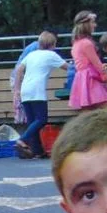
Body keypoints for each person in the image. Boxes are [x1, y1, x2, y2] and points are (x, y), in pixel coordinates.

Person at [12, 31, 67, 159]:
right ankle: (22, 139)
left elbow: (19, 70)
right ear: (53, 44)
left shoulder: (31, 55)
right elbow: (69, 67)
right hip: (37, 91)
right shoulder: (51, 55)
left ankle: (37, 151)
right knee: (42, 119)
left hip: (25, 90)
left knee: (32, 122)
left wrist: (17, 90)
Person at [69, 11, 107, 112]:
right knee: (105, 111)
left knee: (87, 112)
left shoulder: (76, 44)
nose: (95, 25)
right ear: (86, 24)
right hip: (90, 79)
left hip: (81, 80)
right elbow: (98, 65)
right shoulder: (87, 43)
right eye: (92, 22)